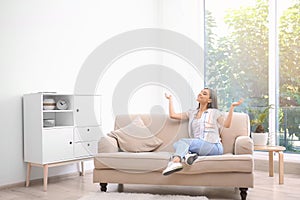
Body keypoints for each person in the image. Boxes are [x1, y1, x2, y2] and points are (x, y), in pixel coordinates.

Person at [162, 87, 243, 176]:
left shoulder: (214, 112)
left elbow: (227, 125)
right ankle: (188, 156)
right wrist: (170, 99)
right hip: (200, 145)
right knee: (176, 145)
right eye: (201, 92)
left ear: (209, 100)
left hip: (214, 145)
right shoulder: (192, 113)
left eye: (204, 94)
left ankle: (175, 161)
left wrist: (232, 107)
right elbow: (173, 115)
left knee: (182, 142)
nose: (200, 94)